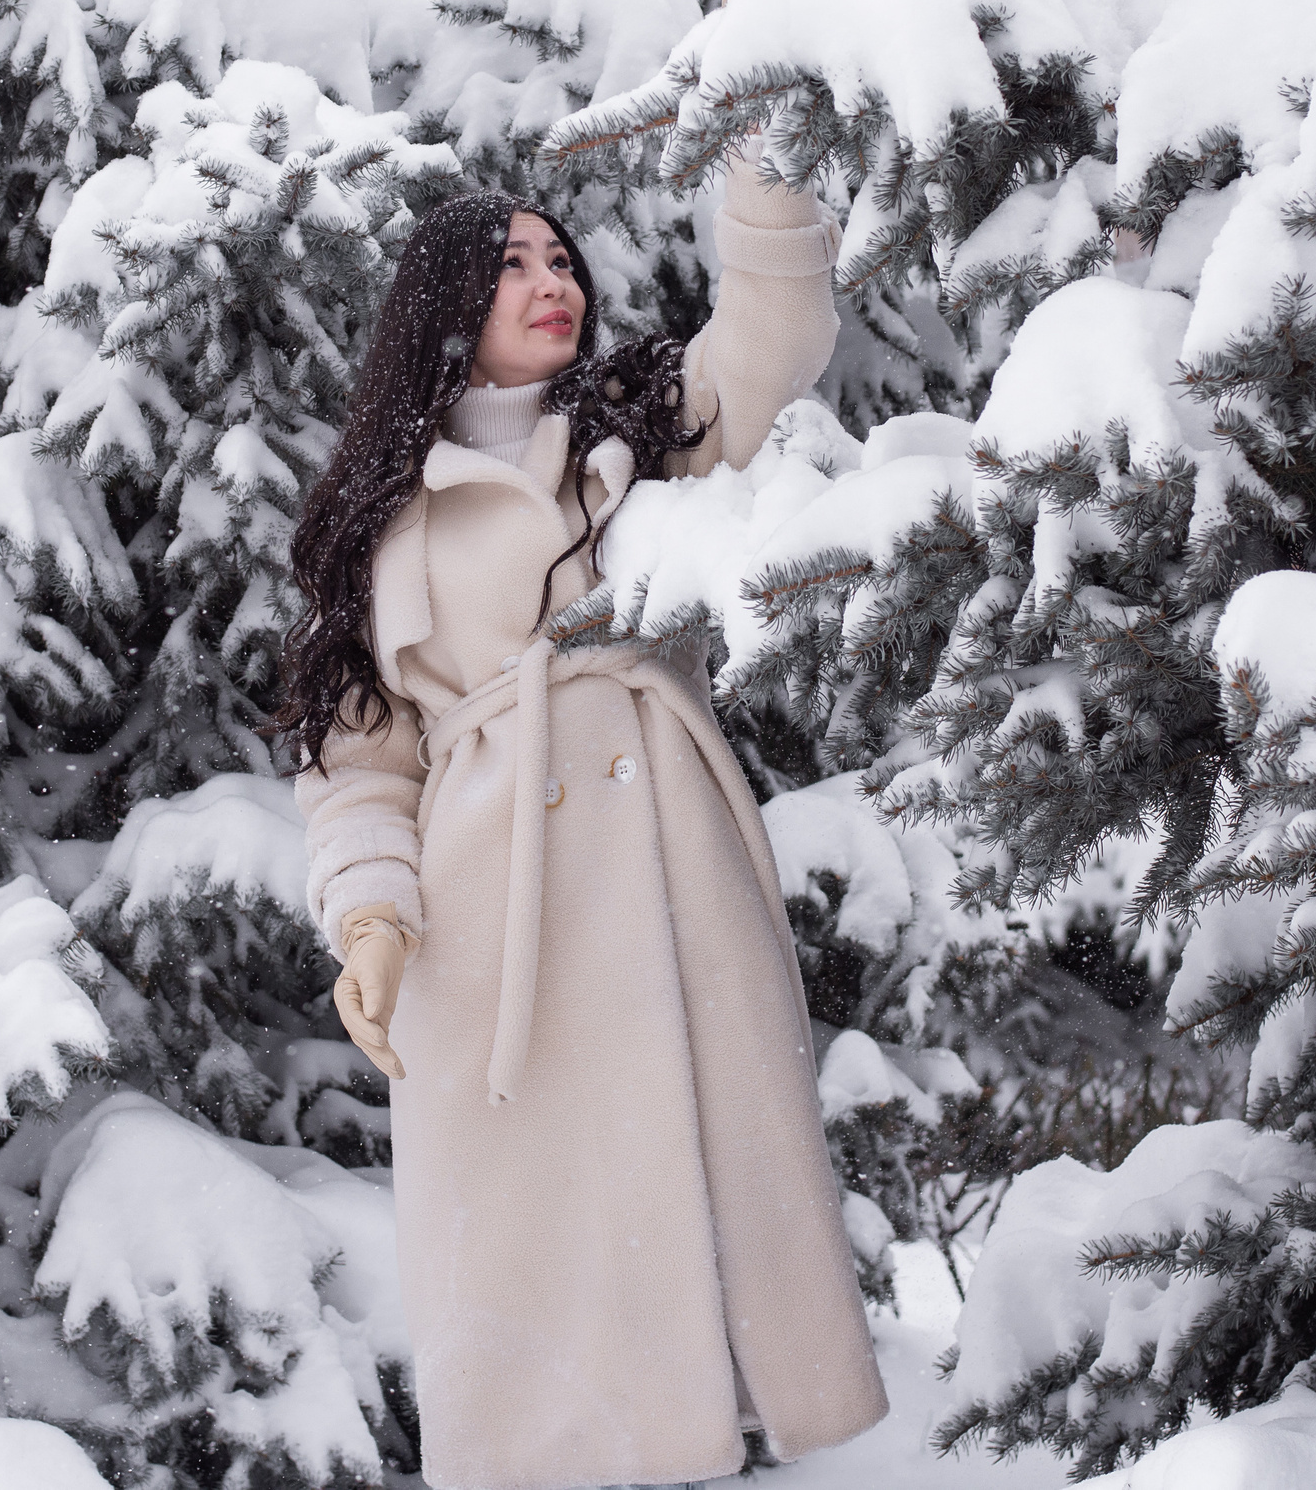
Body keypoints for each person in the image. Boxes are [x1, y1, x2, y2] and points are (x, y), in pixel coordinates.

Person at [271, 136, 888, 1490]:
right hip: (499, 932)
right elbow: (364, 769)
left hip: (668, 870)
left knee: (717, 1235)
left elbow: (775, 328)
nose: (553, 282)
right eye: (511, 266)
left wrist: (761, 123)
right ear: (443, 307)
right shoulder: (377, 523)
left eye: (563, 260)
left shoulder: (635, 435)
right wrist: (370, 916)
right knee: (536, 1272)